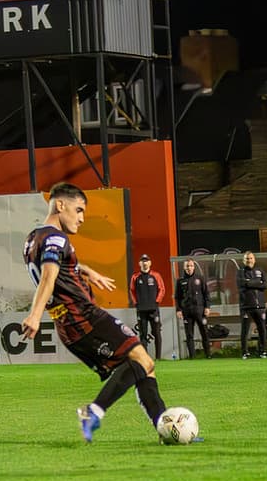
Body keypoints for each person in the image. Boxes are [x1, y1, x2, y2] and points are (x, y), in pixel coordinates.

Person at [21, 182, 171, 443]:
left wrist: (86, 270)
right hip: (83, 315)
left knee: (143, 366)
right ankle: (94, 411)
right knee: (141, 361)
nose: (81, 218)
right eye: (78, 210)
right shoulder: (57, 237)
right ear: (60, 205)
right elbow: (49, 275)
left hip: (67, 325)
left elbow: (59, 267)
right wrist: (34, 315)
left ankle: (165, 428)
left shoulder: (33, 239)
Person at [129, 254, 165, 360]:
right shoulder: (135, 276)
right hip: (141, 310)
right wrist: (136, 303)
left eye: (146, 261)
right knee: (143, 334)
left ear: (150, 263)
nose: (144, 263)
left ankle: (158, 357)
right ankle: (145, 358)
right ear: (139, 263)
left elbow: (162, 289)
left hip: (153, 309)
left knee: (157, 332)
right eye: (142, 261)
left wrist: (157, 301)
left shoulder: (156, 275)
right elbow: (131, 291)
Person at [175, 258, 211, 359]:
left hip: (200, 310)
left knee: (204, 332)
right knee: (189, 335)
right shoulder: (180, 280)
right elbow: (177, 297)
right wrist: (178, 309)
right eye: (187, 266)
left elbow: (206, 294)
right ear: (184, 267)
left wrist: (207, 307)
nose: (189, 268)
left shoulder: (200, 278)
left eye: (191, 266)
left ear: (193, 267)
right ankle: (192, 357)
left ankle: (208, 355)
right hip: (187, 311)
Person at [237, 251, 267, 358]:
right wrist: (256, 282)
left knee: (262, 329)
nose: (249, 260)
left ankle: (262, 351)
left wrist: (249, 282)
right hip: (246, 307)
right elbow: (241, 284)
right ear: (244, 260)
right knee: (245, 330)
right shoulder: (240, 272)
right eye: (247, 259)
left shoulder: (260, 270)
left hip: (260, 306)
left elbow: (264, 285)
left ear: (254, 259)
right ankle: (245, 352)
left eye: (250, 258)